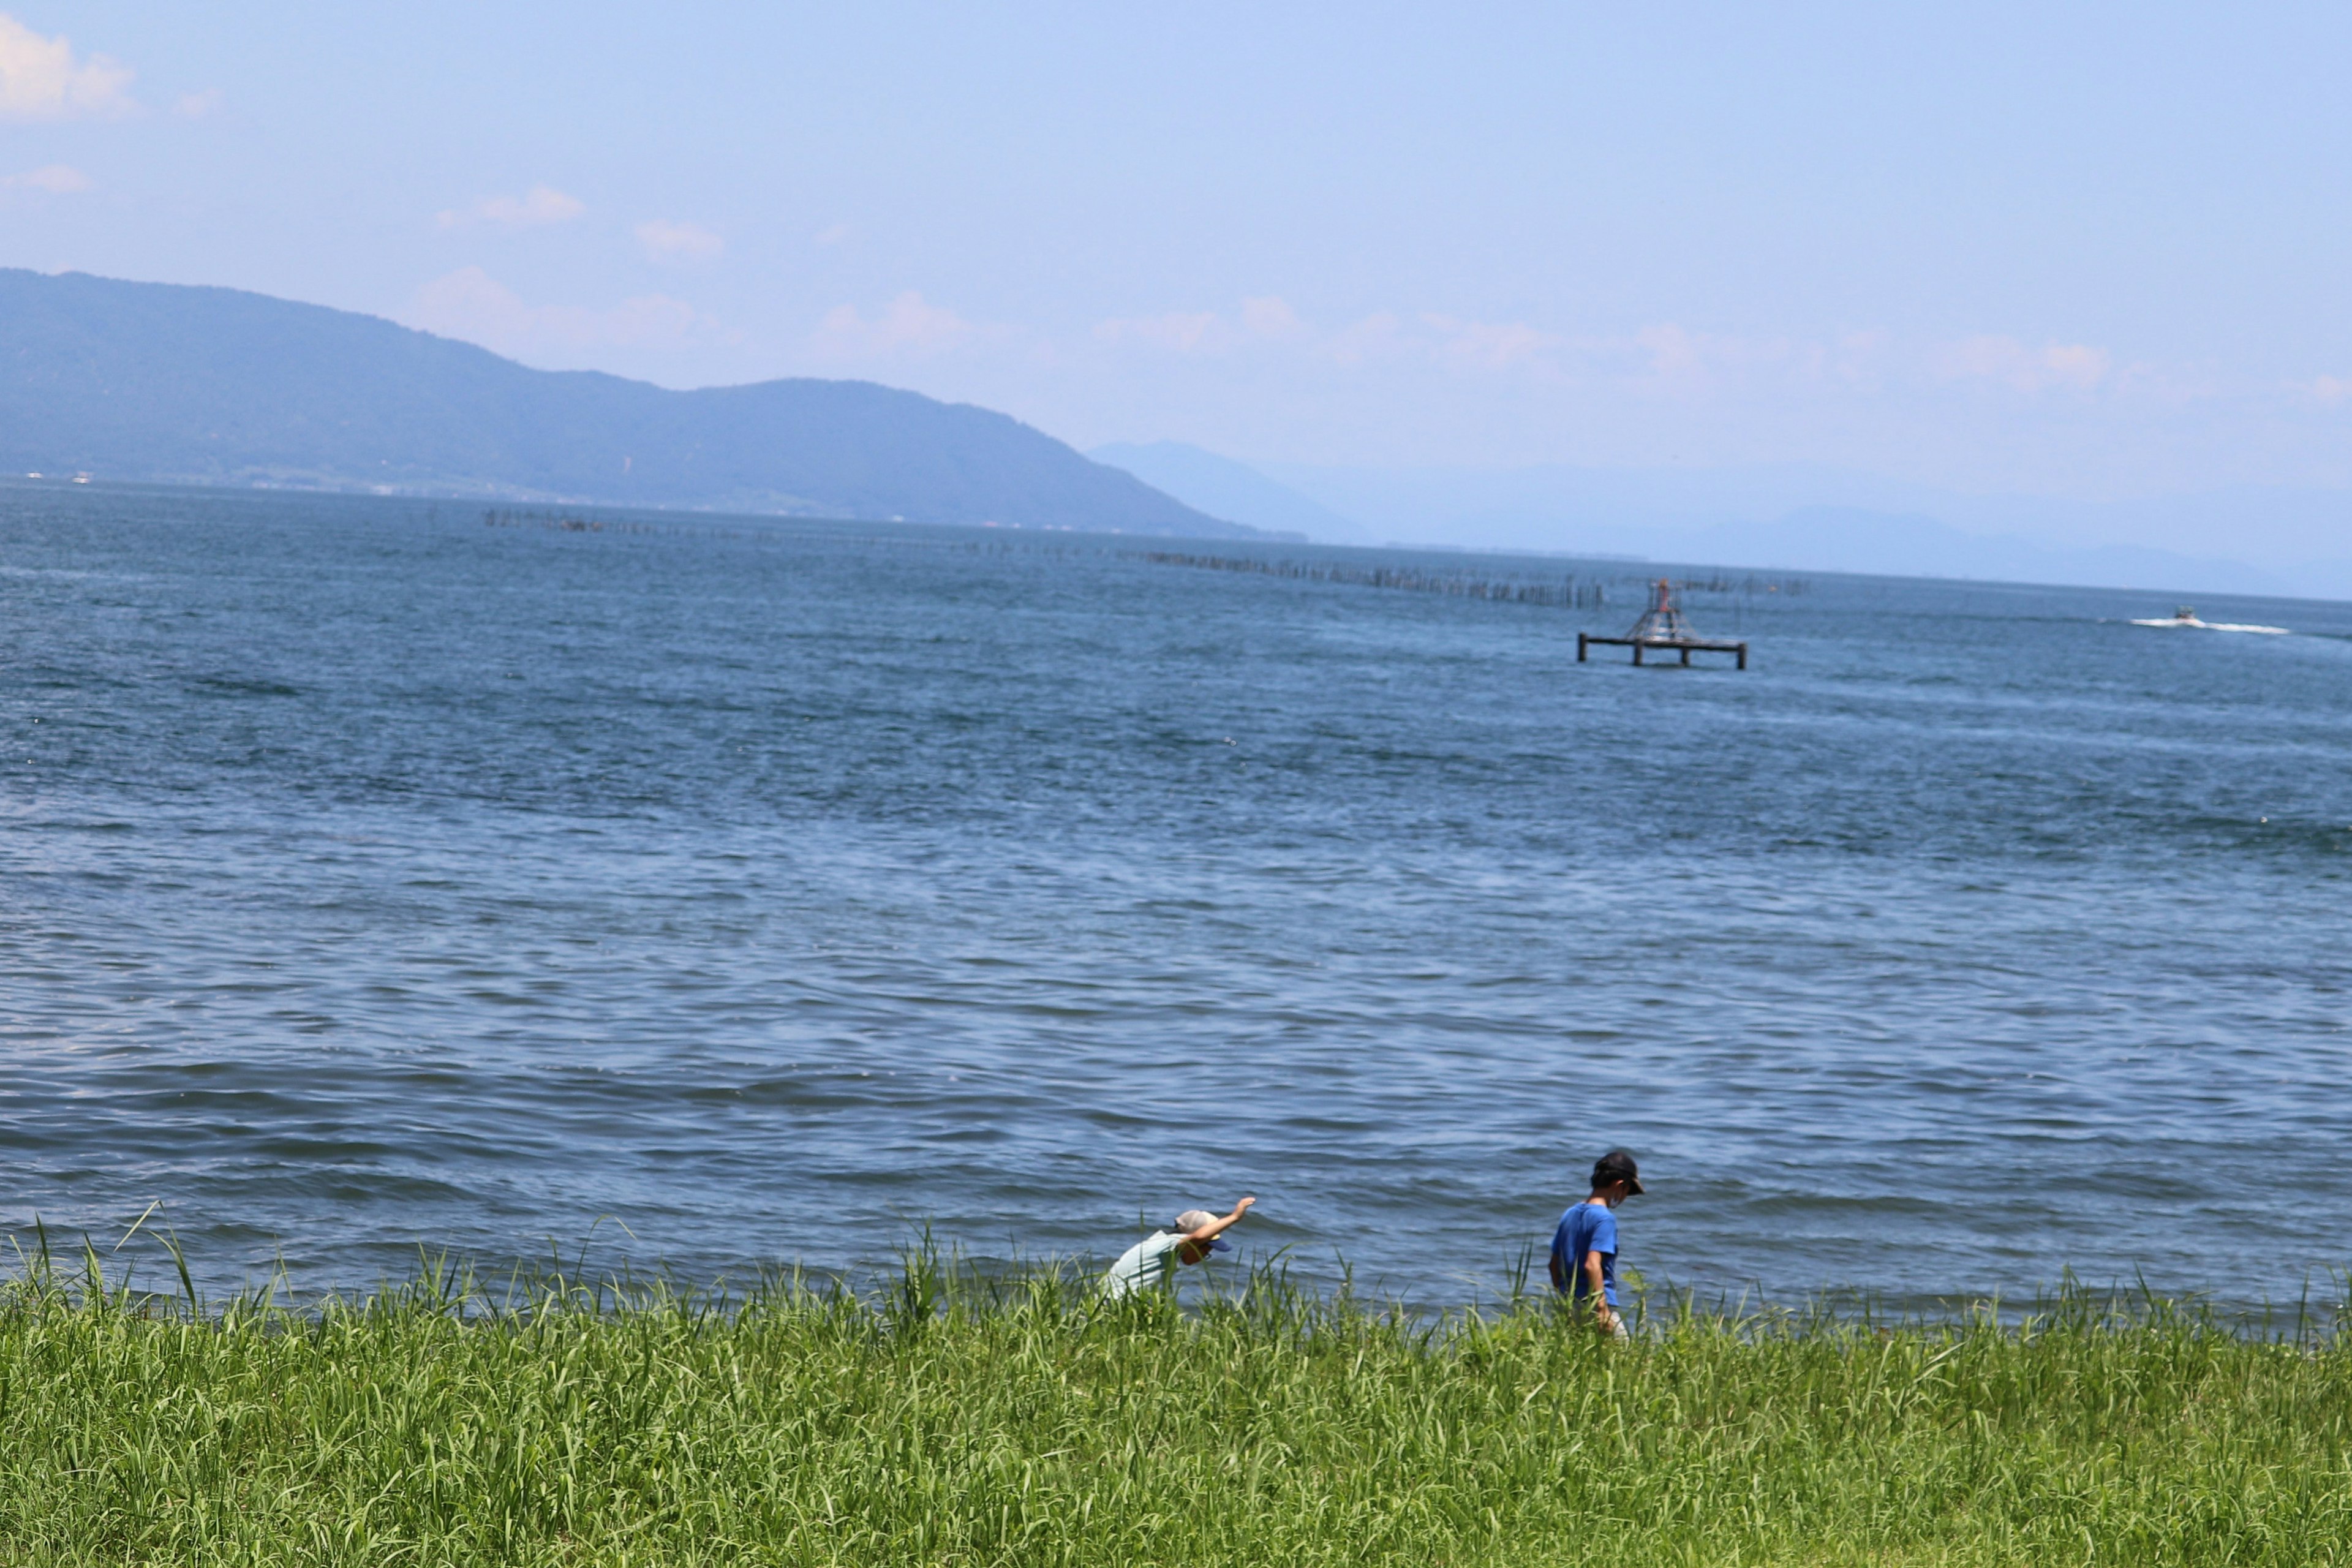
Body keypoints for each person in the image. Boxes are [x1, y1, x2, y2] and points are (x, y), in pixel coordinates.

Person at [1549, 1150, 1643, 1336]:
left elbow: (1553, 1265)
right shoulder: (1605, 1219)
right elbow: (1592, 1265)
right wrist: (1602, 1311)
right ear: (1619, 1185)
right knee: (1625, 1357)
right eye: (1628, 1191)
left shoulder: (1570, 1214)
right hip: (1597, 1304)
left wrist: (1566, 1298)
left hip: (1569, 1303)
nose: (1625, 1198)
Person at [1098, 1197, 1255, 1298]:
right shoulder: (1170, 1243)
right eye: (1205, 1250)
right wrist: (1235, 1217)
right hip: (1114, 1302)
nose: (1204, 1256)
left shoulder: (1162, 1248)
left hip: (1111, 1300)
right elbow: (1198, 1237)